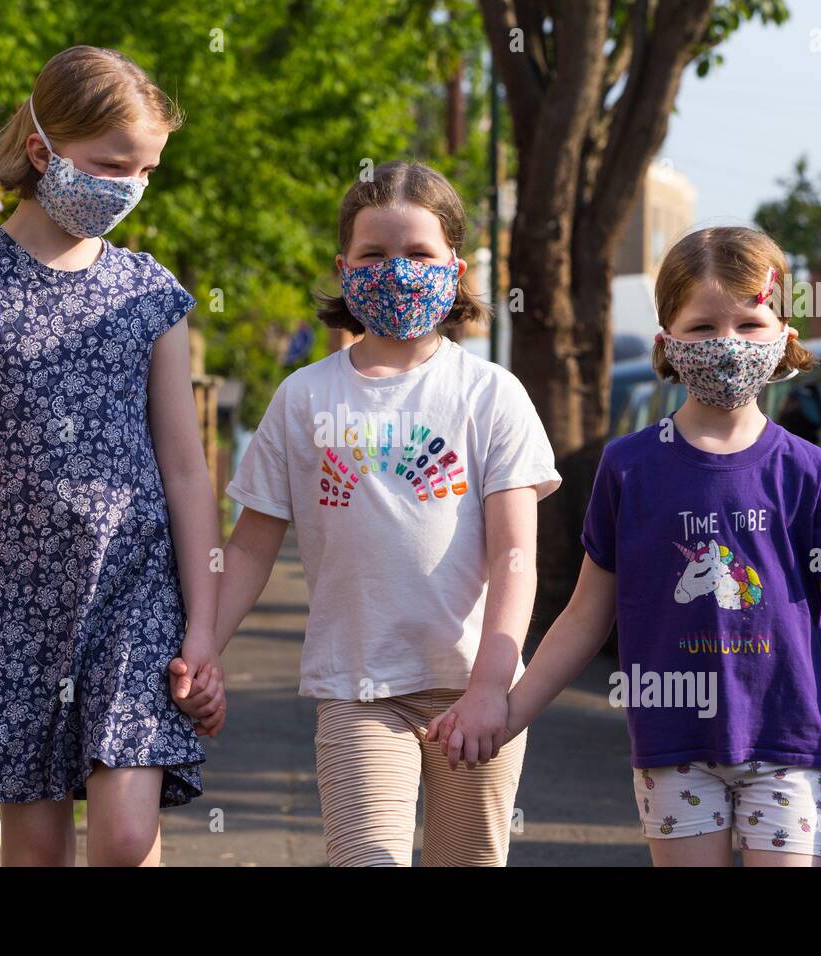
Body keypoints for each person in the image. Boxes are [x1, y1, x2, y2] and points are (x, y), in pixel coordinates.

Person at [434, 225, 821, 866]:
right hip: (672, 748)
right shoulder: (629, 468)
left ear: (784, 338)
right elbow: (585, 615)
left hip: (788, 748)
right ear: (667, 341)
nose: (727, 343)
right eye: (702, 326)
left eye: (749, 323)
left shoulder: (808, 471)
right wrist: (509, 711)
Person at [0, 45, 222, 867]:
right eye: (110, 164)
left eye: (146, 170)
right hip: (15, 589)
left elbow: (188, 469)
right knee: (33, 853)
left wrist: (203, 624)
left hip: (134, 584)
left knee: (127, 839)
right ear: (41, 151)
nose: (128, 186)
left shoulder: (151, 293)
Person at [198, 160, 561, 865]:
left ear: (454, 267)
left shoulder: (491, 395)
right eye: (374, 254)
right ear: (344, 267)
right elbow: (248, 549)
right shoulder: (303, 398)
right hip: (359, 688)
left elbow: (516, 556)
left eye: (420, 254)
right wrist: (206, 643)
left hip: (474, 687)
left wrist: (493, 684)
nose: (398, 271)